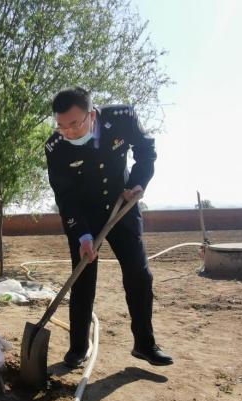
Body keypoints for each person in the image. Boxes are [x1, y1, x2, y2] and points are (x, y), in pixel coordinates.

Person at [46, 87, 173, 368]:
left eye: (74, 124)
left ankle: (145, 344)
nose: (68, 131)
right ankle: (78, 347)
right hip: (85, 215)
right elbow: (65, 196)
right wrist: (83, 235)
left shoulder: (122, 118)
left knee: (139, 274)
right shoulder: (55, 147)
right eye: (61, 125)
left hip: (122, 205)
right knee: (83, 278)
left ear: (91, 115)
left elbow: (145, 150)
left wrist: (137, 182)